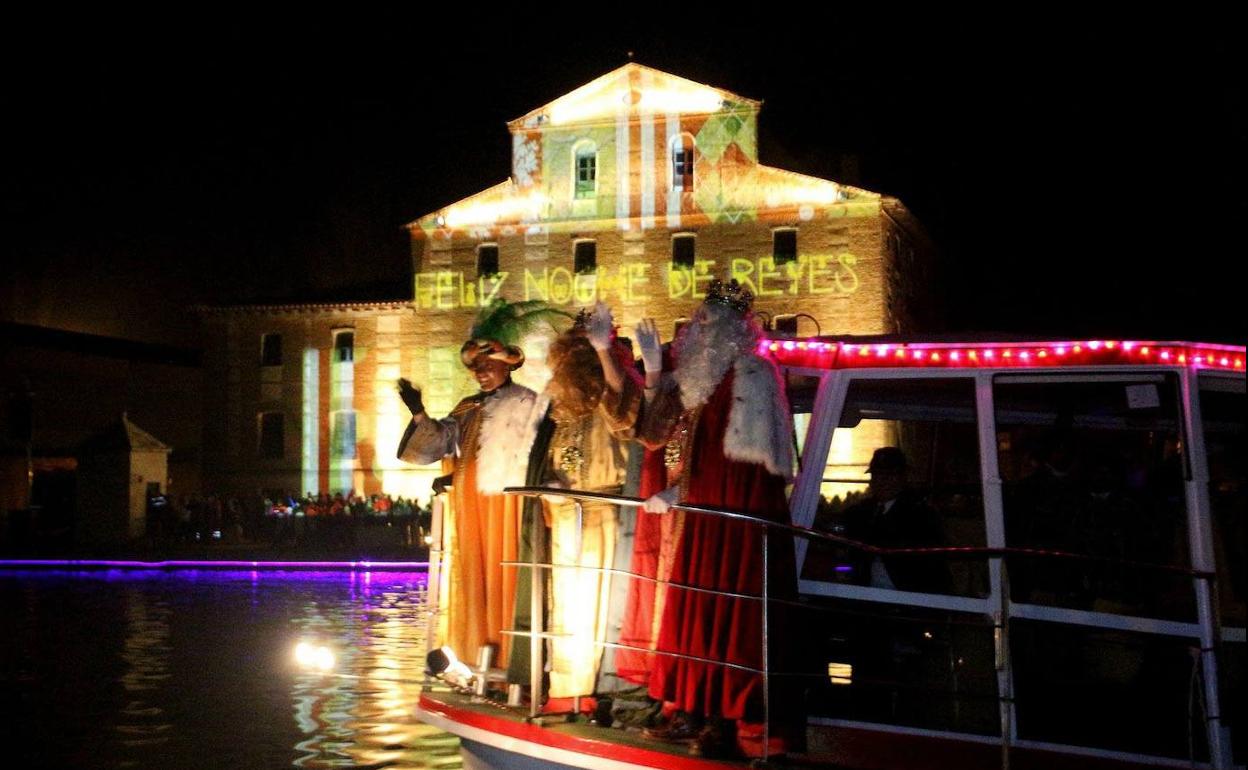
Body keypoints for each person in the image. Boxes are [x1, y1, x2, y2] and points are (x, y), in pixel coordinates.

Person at [635, 279, 799, 759]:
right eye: (698, 319)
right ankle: (691, 705)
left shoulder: (754, 376)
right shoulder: (697, 384)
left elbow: (753, 467)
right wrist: (651, 369)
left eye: (709, 320)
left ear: (732, 328)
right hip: (702, 517)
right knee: (696, 617)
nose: (698, 326)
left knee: (730, 619)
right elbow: (660, 437)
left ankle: (725, 722)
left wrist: (694, 494)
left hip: (736, 523)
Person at [397, 299, 563, 670]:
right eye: (476, 368)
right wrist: (418, 411)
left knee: (506, 570)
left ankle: (509, 656)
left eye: (488, 366)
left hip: (505, 508)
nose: (481, 374)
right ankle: (473, 653)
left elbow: (533, 456)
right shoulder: (467, 406)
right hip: (470, 507)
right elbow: (438, 444)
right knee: (473, 575)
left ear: (507, 363)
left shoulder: (526, 402)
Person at [519, 302, 642, 706]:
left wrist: (605, 354)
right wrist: (549, 482)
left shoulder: (616, 385)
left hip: (606, 509)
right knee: (568, 604)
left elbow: (624, 415)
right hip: (564, 511)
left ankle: (598, 688)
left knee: (603, 600)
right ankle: (568, 687)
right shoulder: (559, 402)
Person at [838, 446, 950, 593]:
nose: (882, 481)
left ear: (903, 478)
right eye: (877, 475)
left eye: (890, 475)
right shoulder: (864, 510)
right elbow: (844, 531)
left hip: (906, 596)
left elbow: (925, 563)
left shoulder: (921, 514)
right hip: (864, 593)